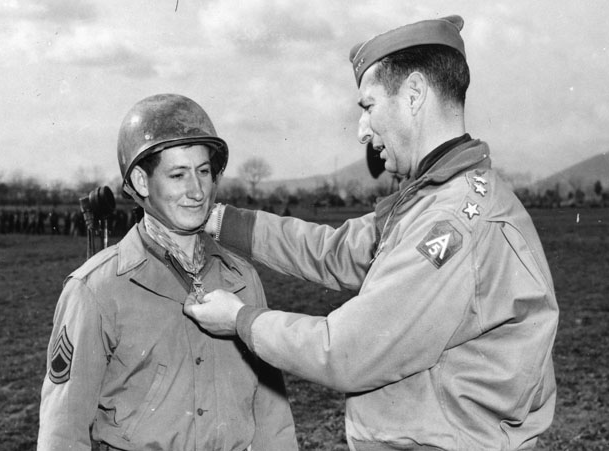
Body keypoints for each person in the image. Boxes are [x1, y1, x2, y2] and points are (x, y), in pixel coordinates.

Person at [184, 16, 559, 451]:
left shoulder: (451, 223)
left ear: (414, 94)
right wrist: (220, 220)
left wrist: (241, 320)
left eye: (368, 106)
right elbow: (336, 252)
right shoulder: (431, 198)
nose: (362, 130)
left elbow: (346, 350)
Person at [37, 94, 298, 451]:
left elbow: (273, 419)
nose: (196, 190)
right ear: (142, 183)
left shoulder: (242, 278)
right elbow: (62, 434)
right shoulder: (96, 289)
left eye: (203, 171)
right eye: (178, 175)